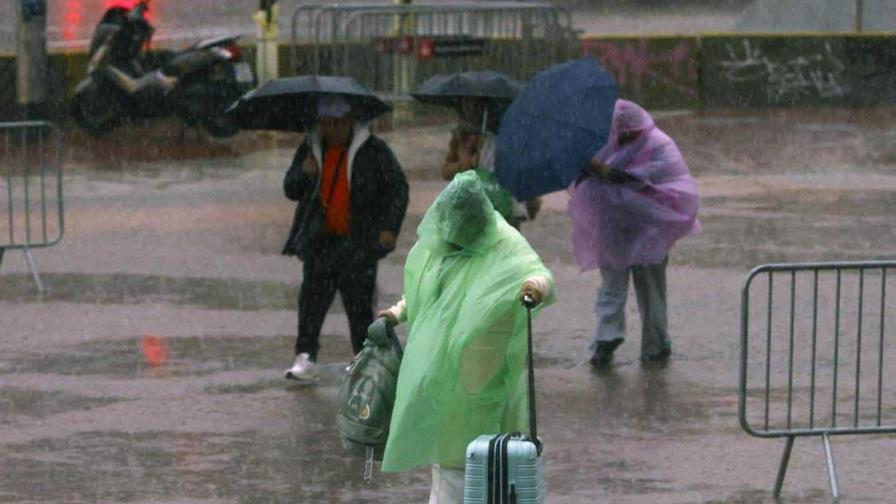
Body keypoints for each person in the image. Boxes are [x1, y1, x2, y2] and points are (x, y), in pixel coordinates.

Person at [377, 172, 554, 503]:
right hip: (444, 370)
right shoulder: (439, 244)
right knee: (451, 462)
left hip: (486, 366)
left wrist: (534, 288)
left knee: (484, 459)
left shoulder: (503, 243)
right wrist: (395, 313)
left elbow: (536, 272)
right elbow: (422, 291)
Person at [283, 95, 409, 382]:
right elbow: (290, 189)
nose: (332, 130)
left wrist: (389, 229)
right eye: (326, 123)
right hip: (320, 242)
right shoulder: (310, 150)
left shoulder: (374, 151)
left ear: (350, 122)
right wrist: (304, 174)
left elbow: (397, 189)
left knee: (360, 306)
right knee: (312, 303)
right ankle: (305, 356)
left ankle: (364, 360)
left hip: (359, 243)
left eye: (338, 123)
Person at [568, 99, 700, 368]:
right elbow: (594, 177)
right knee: (613, 285)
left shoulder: (658, 145)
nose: (623, 136)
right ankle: (607, 341)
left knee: (649, 288)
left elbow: (627, 178)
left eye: (627, 132)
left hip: (650, 228)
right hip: (616, 225)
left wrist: (597, 168)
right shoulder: (609, 141)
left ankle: (655, 346)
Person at [440, 97, 541, 228]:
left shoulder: (505, 133)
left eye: (473, 105)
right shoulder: (461, 137)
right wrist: (469, 163)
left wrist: (530, 203)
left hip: (504, 209)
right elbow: (446, 171)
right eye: (466, 105)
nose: (469, 110)